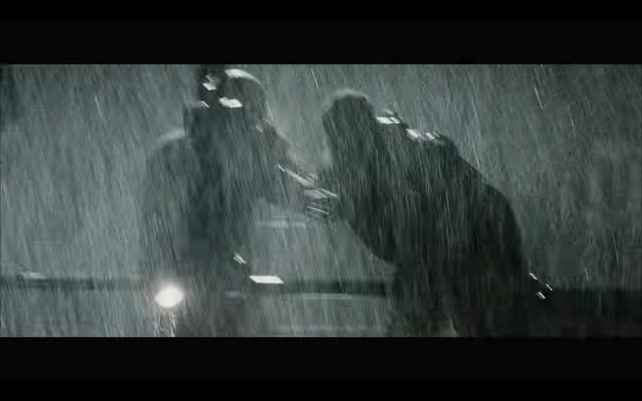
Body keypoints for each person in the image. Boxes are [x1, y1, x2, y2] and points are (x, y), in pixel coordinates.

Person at [316, 89, 542, 337]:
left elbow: (417, 251)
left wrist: (411, 306)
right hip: (470, 236)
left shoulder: (396, 167)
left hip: (474, 234)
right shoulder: (370, 161)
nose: (336, 146)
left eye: (340, 139)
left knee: (473, 314)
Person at [139, 66, 303, 337]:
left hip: (213, 279)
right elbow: (155, 221)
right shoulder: (175, 156)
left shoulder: (243, 156)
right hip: (193, 279)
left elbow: (286, 187)